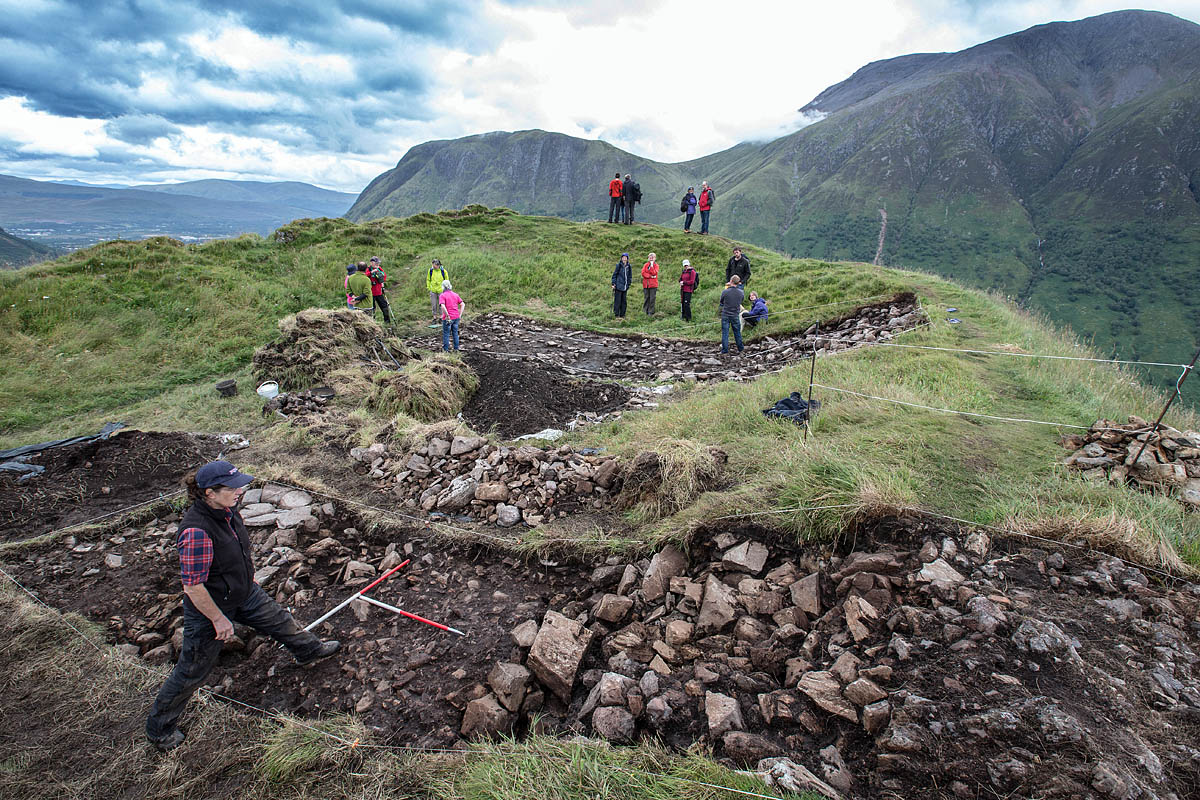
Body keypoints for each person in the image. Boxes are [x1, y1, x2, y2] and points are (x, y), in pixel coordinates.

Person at [145, 461, 340, 751]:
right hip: (210, 608)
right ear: (210, 492)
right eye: (233, 487)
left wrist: (247, 578)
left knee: (281, 621)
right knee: (192, 670)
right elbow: (193, 587)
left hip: (244, 593)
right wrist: (218, 620)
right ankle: (159, 729)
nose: (240, 491)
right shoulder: (196, 532)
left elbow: (237, 551)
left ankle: (309, 651)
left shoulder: (228, 511)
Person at [719, 274, 745, 354]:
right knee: (737, 332)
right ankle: (740, 349)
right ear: (738, 283)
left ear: (731, 281)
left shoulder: (725, 291)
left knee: (725, 333)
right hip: (735, 314)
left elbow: (721, 302)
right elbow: (741, 301)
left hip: (726, 314)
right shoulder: (741, 292)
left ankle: (725, 350)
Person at [439, 279, 464, 352]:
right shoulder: (455, 294)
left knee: (446, 334)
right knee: (455, 333)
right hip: (456, 317)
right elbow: (463, 304)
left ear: (443, 287)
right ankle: (456, 349)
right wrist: (460, 315)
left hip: (448, 318)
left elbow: (442, 306)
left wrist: (447, 315)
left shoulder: (442, 295)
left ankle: (446, 350)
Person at [367, 256, 392, 324]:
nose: (377, 264)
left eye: (378, 263)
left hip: (379, 292)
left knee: (384, 306)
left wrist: (380, 276)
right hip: (371, 293)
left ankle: (387, 322)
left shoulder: (380, 269)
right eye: (376, 263)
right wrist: (371, 272)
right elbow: (365, 276)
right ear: (371, 262)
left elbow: (384, 276)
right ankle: (372, 323)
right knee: (372, 308)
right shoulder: (368, 269)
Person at [426, 258, 448, 325]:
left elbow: (446, 280)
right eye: (433, 265)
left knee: (441, 304)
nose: (434, 266)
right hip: (433, 290)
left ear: (439, 265)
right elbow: (428, 279)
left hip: (441, 290)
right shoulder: (430, 271)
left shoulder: (443, 271)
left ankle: (441, 317)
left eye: (435, 265)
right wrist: (429, 287)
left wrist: (445, 289)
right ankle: (434, 318)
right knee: (434, 304)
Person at [611, 253, 633, 318]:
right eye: (623, 257)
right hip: (618, 286)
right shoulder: (619, 265)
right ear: (621, 258)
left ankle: (622, 314)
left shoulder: (629, 266)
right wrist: (613, 283)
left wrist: (628, 284)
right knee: (617, 301)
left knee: (624, 301)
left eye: (625, 257)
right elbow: (614, 275)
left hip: (625, 287)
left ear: (627, 259)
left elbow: (630, 276)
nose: (624, 259)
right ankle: (616, 314)